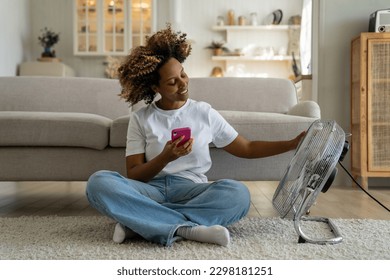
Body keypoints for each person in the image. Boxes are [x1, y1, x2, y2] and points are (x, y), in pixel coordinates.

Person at [86, 25, 305, 247]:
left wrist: (292, 144)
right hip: (149, 190)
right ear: (155, 86)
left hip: (191, 190)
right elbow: (133, 175)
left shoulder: (203, 112)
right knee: (99, 182)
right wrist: (165, 157)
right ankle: (190, 228)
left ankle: (140, 223)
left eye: (183, 74)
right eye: (172, 82)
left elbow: (246, 148)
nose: (183, 84)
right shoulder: (141, 118)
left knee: (237, 193)